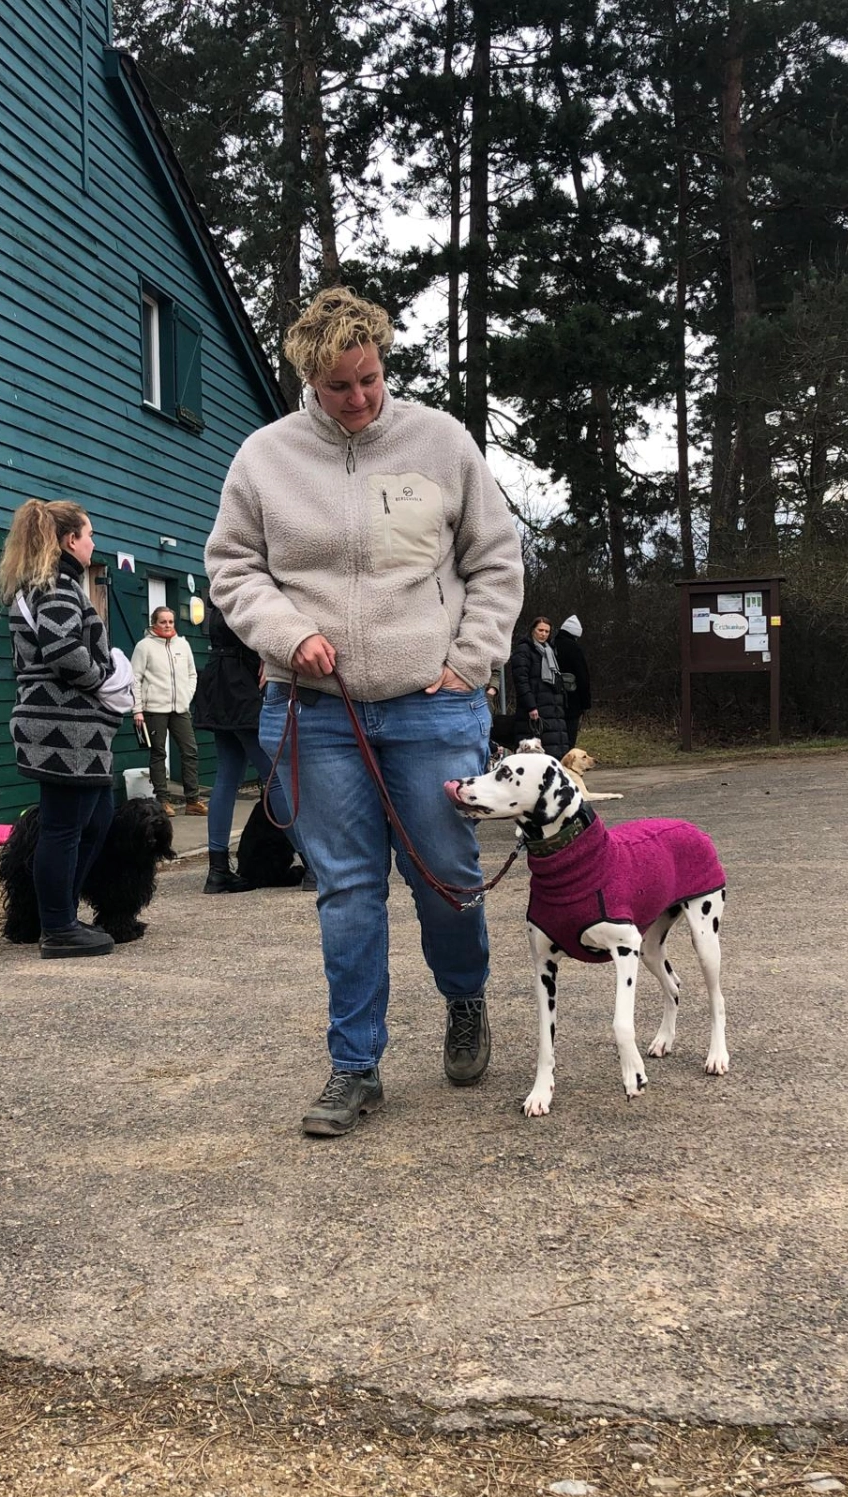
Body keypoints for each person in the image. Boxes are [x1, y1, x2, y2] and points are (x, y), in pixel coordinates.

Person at [205, 285, 524, 1137]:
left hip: (431, 708)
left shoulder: (440, 442)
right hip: (313, 712)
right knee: (346, 892)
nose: (358, 400)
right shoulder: (264, 457)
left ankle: (464, 1000)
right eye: (338, 386)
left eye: (370, 379)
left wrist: (468, 662)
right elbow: (232, 567)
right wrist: (287, 633)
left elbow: (495, 560)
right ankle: (355, 1065)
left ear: (384, 364)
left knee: (446, 879)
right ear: (309, 380)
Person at [0, 498, 121, 959]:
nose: (93, 544)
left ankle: (60, 914)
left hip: (66, 727)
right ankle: (57, 927)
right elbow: (63, 650)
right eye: (89, 535)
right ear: (70, 540)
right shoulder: (59, 589)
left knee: (96, 819)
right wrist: (104, 678)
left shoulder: (42, 586)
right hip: (63, 729)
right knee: (64, 827)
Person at [189, 601, 308, 894]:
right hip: (242, 682)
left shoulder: (218, 597)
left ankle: (217, 871)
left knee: (227, 777)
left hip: (219, 679)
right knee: (273, 778)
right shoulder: (244, 596)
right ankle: (313, 864)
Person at [131, 607, 207, 816]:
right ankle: (163, 801)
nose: (167, 625)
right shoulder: (144, 647)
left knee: (190, 751)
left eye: (171, 621)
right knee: (158, 754)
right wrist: (137, 710)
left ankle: (192, 801)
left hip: (180, 708)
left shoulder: (183, 645)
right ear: (154, 623)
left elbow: (192, 674)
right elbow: (134, 679)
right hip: (154, 709)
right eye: (163, 621)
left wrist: (186, 695)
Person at [509, 616, 570, 760]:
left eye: (547, 631)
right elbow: (521, 681)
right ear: (533, 630)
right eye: (540, 630)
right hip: (535, 708)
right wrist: (531, 706)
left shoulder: (550, 651)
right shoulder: (524, 650)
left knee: (555, 749)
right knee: (537, 755)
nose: (543, 634)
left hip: (554, 708)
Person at [553, 613, 592, 750]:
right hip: (572, 701)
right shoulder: (574, 648)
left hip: (552, 701)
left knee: (555, 738)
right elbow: (583, 677)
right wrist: (585, 704)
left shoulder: (550, 645)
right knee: (569, 739)